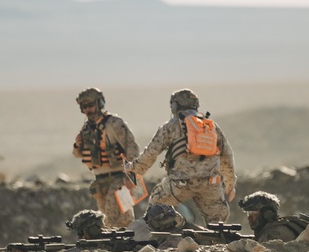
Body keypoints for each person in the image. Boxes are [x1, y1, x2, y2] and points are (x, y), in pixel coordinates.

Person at [126, 89, 236, 224]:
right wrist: (230, 184)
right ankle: (219, 241)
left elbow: (151, 154)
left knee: (156, 205)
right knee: (218, 221)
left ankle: (171, 230)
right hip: (211, 183)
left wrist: (134, 168)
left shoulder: (170, 126)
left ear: (175, 106)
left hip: (181, 183)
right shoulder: (211, 127)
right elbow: (227, 156)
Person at [72, 88, 141, 229]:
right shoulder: (87, 129)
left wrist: (130, 176)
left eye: (90, 105)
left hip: (120, 178)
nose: (87, 110)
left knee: (124, 218)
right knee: (106, 222)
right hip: (100, 182)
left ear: (99, 103)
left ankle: (131, 245)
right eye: (83, 107)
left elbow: (132, 149)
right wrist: (77, 144)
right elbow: (78, 154)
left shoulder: (114, 124)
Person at [238, 192, 309, 242]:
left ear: (267, 214)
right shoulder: (271, 230)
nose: (249, 218)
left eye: (254, 213)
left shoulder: (274, 233)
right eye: (249, 213)